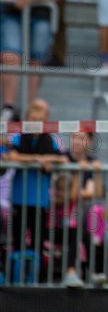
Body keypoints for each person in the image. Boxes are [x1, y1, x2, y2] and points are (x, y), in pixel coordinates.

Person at [7, 99, 67, 283]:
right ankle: (15, 280)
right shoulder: (18, 137)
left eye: (39, 120)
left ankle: (36, 281)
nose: (35, 123)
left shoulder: (53, 140)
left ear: (46, 121)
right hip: (19, 199)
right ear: (26, 119)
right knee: (17, 243)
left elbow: (62, 160)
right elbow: (12, 156)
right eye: (32, 119)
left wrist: (49, 160)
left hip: (40, 201)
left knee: (38, 243)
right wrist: (41, 159)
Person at [0, 0, 65, 121]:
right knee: (10, 56)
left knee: (35, 61)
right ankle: (8, 107)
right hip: (12, 11)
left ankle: (30, 108)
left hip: (41, 15)